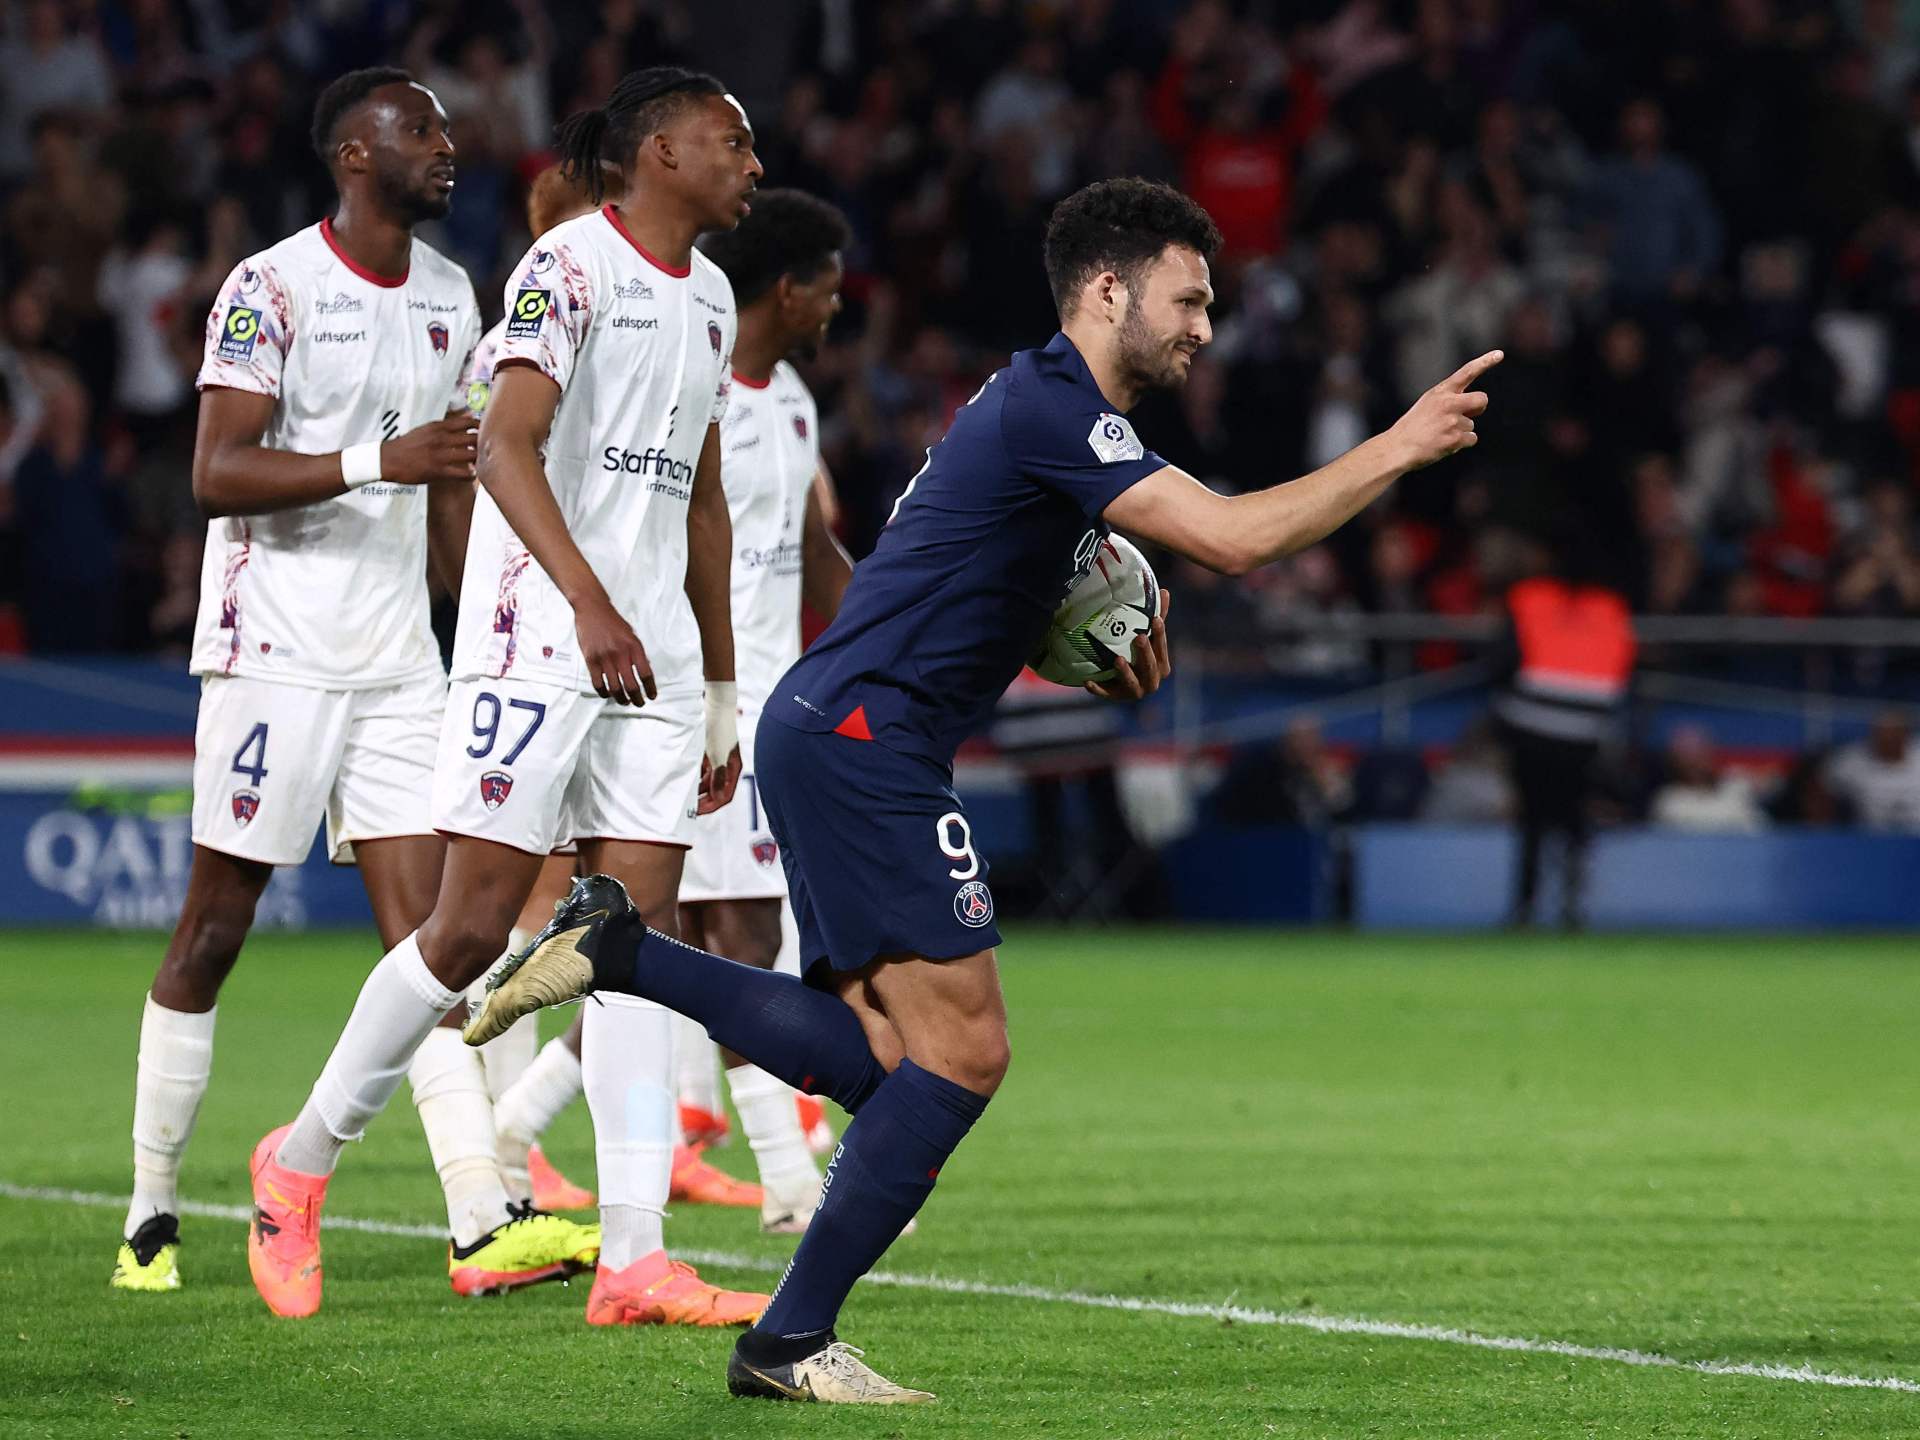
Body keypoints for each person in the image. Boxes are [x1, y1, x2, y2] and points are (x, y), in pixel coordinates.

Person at [467, 176, 1496, 1402]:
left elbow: (982, 577)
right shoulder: (1055, 408)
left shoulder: (1035, 409)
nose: (1204, 328)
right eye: (1188, 301)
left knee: (891, 1063)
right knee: (965, 1057)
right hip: (868, 739)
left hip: (840, 728)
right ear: (1107, 291)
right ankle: (786, 1341)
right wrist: (1400, 443)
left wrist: (1082, 634)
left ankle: (623, 952)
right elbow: (1232, 539)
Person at [243, 66, 767, 1329]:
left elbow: (700, 501)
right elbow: (504, 445)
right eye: (731, 141)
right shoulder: (567, 268)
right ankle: (298, 1162)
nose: (753, 164)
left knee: (632, 944)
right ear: (660, 151)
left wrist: (720, 682)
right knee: (470, 931)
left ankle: (634, 1259)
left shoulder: (711, 295)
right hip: (537, 639)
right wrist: (588, 603)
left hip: (651, 662)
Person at [112, 68, 598, 1300]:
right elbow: (216, 472)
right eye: (420, 129)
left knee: (436, 939)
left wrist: (487, 628)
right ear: (352, 155)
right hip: (271, 652)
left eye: (445, 127)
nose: (447, 145)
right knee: (215, 928)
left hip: (397, 664)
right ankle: (151, 1211)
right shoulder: (269, 286)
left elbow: (452, 485)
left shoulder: (452, 293)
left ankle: (480, 1218)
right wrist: (380, 458)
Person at [1491, 556, 1637, 929]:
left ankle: (1525, 909)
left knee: (1533, 822)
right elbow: (1626, 665)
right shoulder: (1609, 607)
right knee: (1574, 822)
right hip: (1584, 733)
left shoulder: (1529, 598)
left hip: (1532, 728)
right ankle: (1572, 908)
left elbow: (1502, 660)